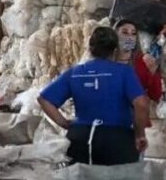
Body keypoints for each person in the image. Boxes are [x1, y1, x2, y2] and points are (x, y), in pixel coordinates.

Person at [38, 26, 150, 165]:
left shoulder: (75, 72)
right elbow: (141, 103)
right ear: (115, 51)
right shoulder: (124, 72)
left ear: (90, 49)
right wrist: (140, 134)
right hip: (116, 141)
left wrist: (64, 123)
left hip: (79, 138)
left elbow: (44, 99)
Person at [114, 19, 163, 103]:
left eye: (133, 34)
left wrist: (153, 72)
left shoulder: (143, 62)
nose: (129, 37)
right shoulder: (106, 60)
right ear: (115, 35)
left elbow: (156, 95)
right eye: (125, 32)